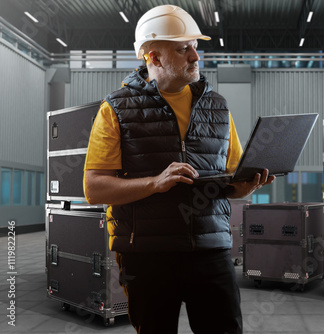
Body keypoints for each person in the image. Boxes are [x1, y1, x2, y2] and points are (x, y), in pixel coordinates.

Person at [83, 5, 274, 334]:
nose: (195, 57)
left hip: (211, 248)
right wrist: (155, 183)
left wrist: (246, 186)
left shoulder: (217, 106)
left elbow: (232, 176)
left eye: (195, 47)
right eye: (183, 49)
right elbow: (94, 188)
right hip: (146, 254)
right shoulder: (115, 109)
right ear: (154, 57)